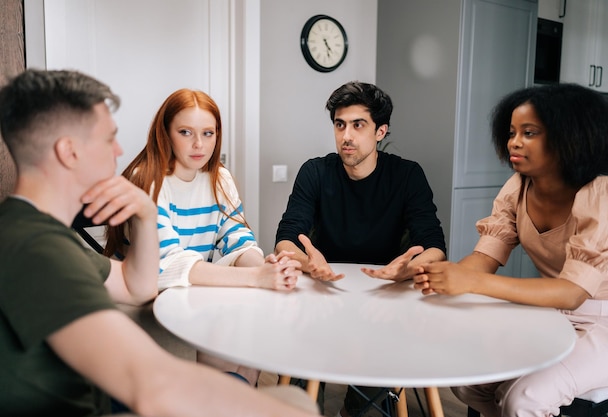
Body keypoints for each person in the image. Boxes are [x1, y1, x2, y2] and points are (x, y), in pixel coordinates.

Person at [0, 68, 318, 417]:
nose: (120, 149)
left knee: (259, 387)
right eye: (109, 139)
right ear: (69, 152)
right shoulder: (36, 251)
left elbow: (137, 287)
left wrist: (146, 216)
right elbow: (150, 387)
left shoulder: (37, 233)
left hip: (104, 399)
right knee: (293, 406)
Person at [415, 83, 608, 417]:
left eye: (530, 132)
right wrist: (425, 273)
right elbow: (484, 259)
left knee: (526, 397)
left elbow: (572, 292)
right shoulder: (518, 187)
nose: (514, 141)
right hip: (556, 315)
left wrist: (470, 284)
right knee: (469, 380)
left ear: (568, 136)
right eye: (512, 131)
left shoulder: (605, 193)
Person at [104, 88, 302, 386]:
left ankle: (233, 402)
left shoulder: (219, 178)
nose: (199, 144)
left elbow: (237, 237)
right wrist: (257, 277)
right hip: (144, 296)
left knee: (252, 338)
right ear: (166, 133)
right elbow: (169, 264)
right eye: (186, 132)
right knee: (224, 334)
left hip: (191, 292)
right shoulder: (147, 180)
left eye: (208, 133)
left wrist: (265, 267)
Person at [274, 81, 447, 417]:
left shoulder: (407, 175)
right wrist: (309, 264)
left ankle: (360, 405)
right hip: (323, 292)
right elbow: (285, 238)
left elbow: (435, 247)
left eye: (358, 125)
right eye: (340, 125)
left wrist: (406, 269)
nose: (346, 136)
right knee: (298, 397)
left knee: (367, 404)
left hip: (382, 298)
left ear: (381, 131)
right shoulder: (315, 171)